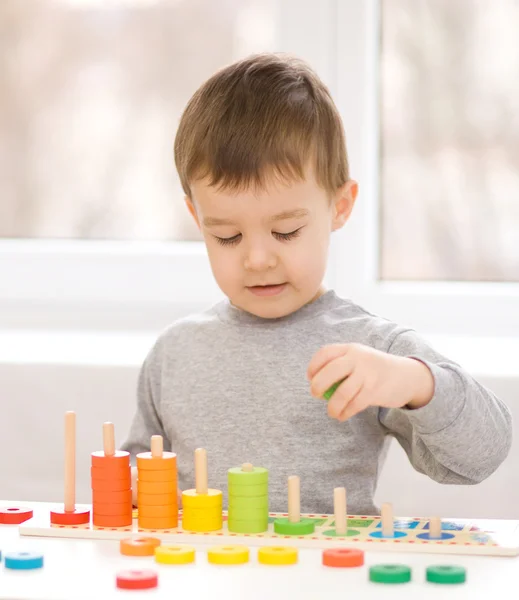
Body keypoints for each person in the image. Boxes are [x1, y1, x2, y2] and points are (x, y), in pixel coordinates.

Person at [121, 52, 512, 515]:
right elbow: (137, 474)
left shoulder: (372, 351)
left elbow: (483, 454)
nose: (258, 258)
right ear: (196, 217)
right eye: (227, 235)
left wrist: (415, 383)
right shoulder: (175, 353)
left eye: (286, 231)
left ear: (340, 206)